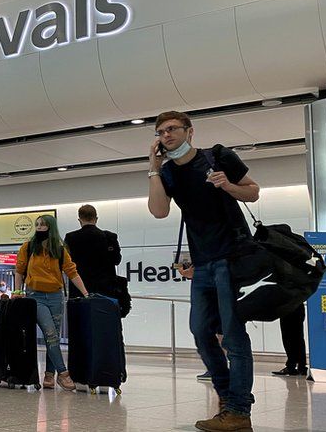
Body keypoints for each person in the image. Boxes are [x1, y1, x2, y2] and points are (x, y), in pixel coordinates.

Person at [148, 110, 260, 432]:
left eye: (172, 129)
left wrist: (227, 185)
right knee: (200, 332)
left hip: (231, 257)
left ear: (189, 131)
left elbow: (253, 191)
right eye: (160, 132)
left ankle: (239, 410)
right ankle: (227, 400)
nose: (166, 135)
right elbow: (158, 211)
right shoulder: (168, 172)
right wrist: (153, 169)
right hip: (202, 264)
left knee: (234, 337)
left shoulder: (218, 156)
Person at [13, 215, 90, 391]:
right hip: (35, 296)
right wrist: (17, 291)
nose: (39, 227)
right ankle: (63, 374)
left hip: (56, 296)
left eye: (43, 225)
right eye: (37, 224)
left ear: (51, 227)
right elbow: (19, 270)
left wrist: (86, 293)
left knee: (52, 335)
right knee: (51, 334)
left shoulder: (60, 249)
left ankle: (49, 375)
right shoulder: (28, 246)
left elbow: (72, 272)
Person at [64, 204, 121, 296]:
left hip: (79, 289)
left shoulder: (71, 238)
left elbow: (67, 264)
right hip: (105, 289)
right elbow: (117, 260)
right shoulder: (110, 237)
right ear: (96, 219)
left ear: (79, 220)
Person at [273, 303, 308, 376]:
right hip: (296, 307)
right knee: (298, 338)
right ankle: (301, 366)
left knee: (288, 338)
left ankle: (292, 366)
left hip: (287, 307)